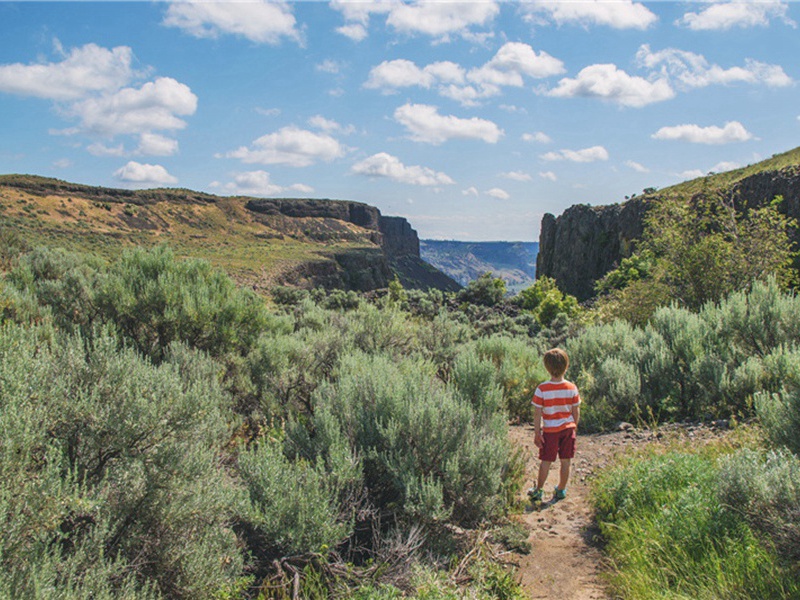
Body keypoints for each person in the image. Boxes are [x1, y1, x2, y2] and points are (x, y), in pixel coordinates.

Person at [528, 348, 581, 503]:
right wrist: (574, 427)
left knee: (546, 461)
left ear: (547, 367)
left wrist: (537, 433)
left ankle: (538, 490)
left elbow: (537, 413)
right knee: (566, 461)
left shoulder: (542, 389)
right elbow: (576, 410)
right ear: (566, 366)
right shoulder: (572, 387)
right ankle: (561, 489)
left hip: (550, 431)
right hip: (568, 429)